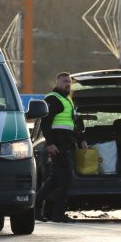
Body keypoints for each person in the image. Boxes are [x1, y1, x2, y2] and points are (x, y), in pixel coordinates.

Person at [35, 72, 87, 223]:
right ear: (57, 82)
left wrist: (81, 140)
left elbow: (74, 122)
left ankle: (36, 209)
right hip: (59, 146)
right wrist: (50, 143)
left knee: (54, 180)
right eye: (65, 81)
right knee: (65, 180)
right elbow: (45, 123)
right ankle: (57, 214)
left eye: (69, 82)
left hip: (67, 144)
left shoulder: (68, 100)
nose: (68, 84)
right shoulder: (53, 99)